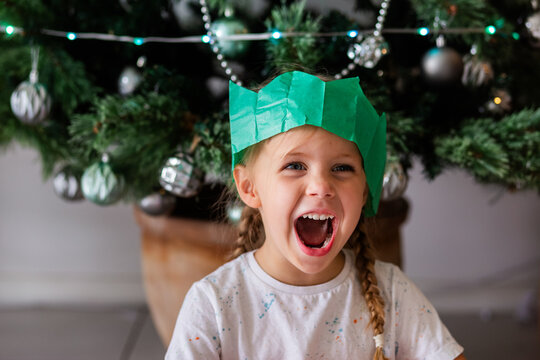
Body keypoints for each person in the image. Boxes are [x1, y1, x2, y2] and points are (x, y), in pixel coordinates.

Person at [165, 70, 466, 360]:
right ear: (249, 187)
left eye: (342, 168)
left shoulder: (393, 293)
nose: (322, 187)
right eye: (295, 166)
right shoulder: (213, 304)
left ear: (364, 192)